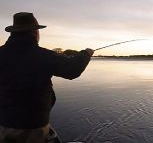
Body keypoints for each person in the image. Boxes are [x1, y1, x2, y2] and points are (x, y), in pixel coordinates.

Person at [0, 12, 94, 143]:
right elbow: (72, 70)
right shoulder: (44, 56)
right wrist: (86, 53)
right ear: (34, 32)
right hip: (33, 126)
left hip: (3, 123)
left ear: (13, 33)